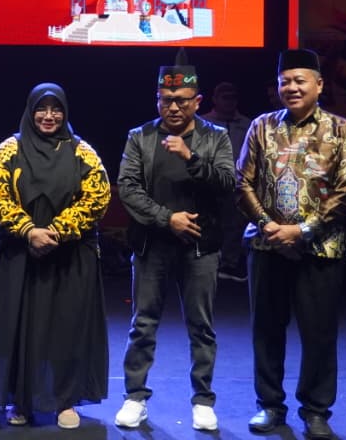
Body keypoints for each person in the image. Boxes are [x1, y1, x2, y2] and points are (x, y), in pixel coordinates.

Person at [0, 82, 111, 430]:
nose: (49, 116)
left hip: (69, 255)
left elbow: (98, 196)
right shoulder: (10, 149)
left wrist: (57, 231)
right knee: (19, 327)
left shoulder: (82, 151)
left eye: (56, 109)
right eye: (42, 109)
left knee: (66, 327)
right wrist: (28, 230)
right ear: (30, 111)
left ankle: (65, 400)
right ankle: (20, 399)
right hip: (18, 253)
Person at [238, 49, 346, 440]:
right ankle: (270, 405)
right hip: (267, 244)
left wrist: (303, 230)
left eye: (299, 80)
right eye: (284, 81)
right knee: (266, 330)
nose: (291, 87)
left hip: (322, 248)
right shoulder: (261, 126)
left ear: (319, 85)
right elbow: (243, 182)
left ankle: (317, 410)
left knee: (319, 333)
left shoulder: (342, 130)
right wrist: (268, 225)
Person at [113, 62, 235, 431]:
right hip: (152, 244)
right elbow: (128, 188)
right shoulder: (140, 136)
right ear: (157, 100)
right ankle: (135, 397)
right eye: (166, 99)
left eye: (182, 100)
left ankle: (203, 401)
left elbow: (227, 183)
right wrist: (168, 218)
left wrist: (190, 158)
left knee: (201, 326)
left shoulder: (216, 137)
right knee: (143, 324)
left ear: (198, 101)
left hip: (201, 246)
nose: (174, 107)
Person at [201, 80, 252, 281]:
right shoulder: (203, 123)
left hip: (236, 181)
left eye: (233, 98)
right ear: (215, 99)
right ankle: (206, 261)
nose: (229, 102)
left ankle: (230, 263)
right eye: (225, 98)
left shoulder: (247, 124)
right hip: (209, 181)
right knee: (208, 221)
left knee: (234, 223)